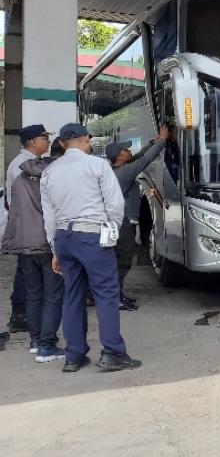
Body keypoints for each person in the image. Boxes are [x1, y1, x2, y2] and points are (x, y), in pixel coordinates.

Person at [41, 123, 140, 372]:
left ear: (62, 144)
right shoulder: (97, 165)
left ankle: (74, 356)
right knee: (106, 294)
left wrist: (55, 249)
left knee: (72, 294)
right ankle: (113, 353)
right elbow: (115, 204)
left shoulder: (50, 172)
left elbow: (48, 215)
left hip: (64, 236)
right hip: (92, 235)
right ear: (86, 140)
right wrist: (112, 233)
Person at [2, 154, 65, 362]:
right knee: (53, 295)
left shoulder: (20, 179)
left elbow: (14, 212)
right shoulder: (51, 179)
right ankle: (47, 345)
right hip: (47, 245)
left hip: (25, 244)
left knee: (33, 294)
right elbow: (55, 213)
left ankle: (35, 341)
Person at [107, 126, 171, 310]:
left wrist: (154, 141)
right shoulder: (124, 172)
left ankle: (117, 295)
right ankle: (115, 298)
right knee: (122, 262)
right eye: (126, 149)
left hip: (117, 222)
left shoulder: (117, 168)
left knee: (117, 262)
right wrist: (162, 141)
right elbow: (144, 160)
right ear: (120, 156)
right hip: (123, 224)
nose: (130, 151)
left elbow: (137, 157)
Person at [5, 125, 52, 334]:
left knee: (25, 272)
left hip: (28, 226)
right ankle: (21, 314)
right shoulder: (23, 165)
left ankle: (24, 315)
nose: (48, 141)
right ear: (33, 141)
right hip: (30, 227)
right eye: (44, 138)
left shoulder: (27, 162)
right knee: (27, 275)